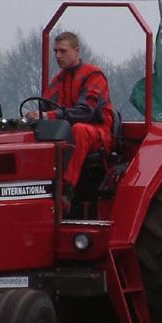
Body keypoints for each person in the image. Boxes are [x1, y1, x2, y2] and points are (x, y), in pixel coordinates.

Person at [23, 31, 114, 208]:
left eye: (63, 51)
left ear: (77, 50)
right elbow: (45, 107)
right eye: (55, 51)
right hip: (66, 133)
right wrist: (34, 118)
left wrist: (49, 116)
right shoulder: (58, 81)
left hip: (98, 133)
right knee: (38, 132)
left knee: (79, 130)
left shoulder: (94, 76)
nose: (58, 56)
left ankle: (66, 190)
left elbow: (85, 112)